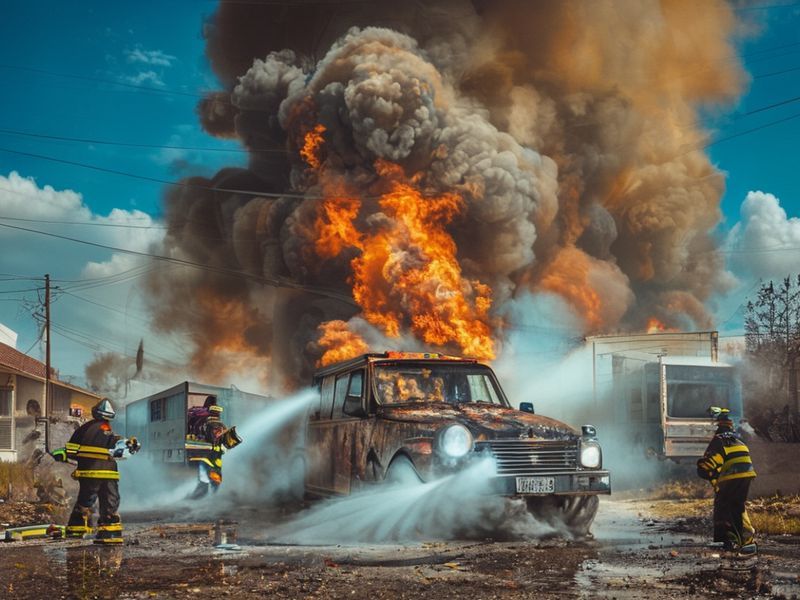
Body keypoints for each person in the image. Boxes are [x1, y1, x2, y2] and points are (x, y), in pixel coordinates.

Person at [52, 398, 140, 544]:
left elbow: (71, 449)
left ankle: (77, 529)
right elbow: (116, 444)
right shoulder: (106, 430)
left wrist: (62, 453)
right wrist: (130, 444)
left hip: (90, 473)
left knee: (86, 500)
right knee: (110, 501)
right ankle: (109, 533)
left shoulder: (84, 429)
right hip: (107, 474)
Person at [696, 406, 757, 553]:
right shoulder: (736, 439)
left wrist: (703, 470)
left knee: (724, 507)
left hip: (732, 475)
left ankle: (728, 541)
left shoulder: (718, 440)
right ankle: (746, 542)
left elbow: (709, 464)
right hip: (747, 474)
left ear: (717, 425)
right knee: (738, 507)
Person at [185, 396, 242, 499]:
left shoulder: (203, 423)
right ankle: (212, 494)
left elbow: (200, 437)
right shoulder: (222, 425)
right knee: (214, 474)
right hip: (217, 456)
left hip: (208, 455)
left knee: (206, 476)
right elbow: (227, 442)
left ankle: (205, 495)